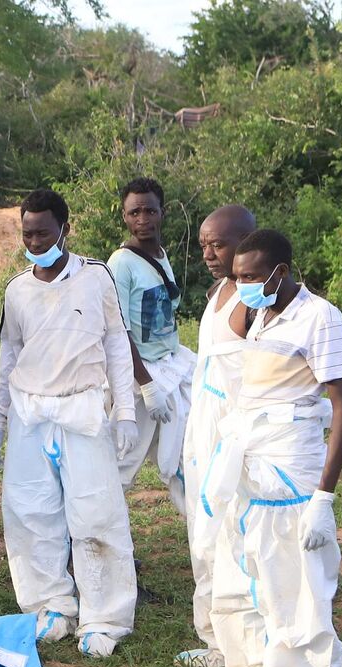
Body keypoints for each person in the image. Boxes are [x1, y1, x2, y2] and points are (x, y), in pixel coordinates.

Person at [200, 229, 342, 667]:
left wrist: (323, 499)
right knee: (240, 575)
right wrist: (250, 298)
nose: (239, 285)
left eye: (249, 277)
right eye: (237, 275)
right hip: (248, 461)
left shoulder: (320, 318)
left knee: (294, 589)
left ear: (281, 273)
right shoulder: (259, 313)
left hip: (291, 469)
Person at [0, 189, 139, 658]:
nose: (35, 242)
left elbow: (116, 342)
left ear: (65, 230)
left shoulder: (96, 278)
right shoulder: (17, 289)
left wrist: (126, 411)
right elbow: (9, 355)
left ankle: (104, 617)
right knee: (30, 514)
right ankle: (50, 605)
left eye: (44, 233)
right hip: (31, 413)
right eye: (28, 233)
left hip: (84, 410)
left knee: (95, 513)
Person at [174, 204, 256, 667]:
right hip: (202, 430)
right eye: (203, 244)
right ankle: (214, 639)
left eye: (218, 244)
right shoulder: (219, 290)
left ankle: (238, 644)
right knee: (202, 535)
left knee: (232, 538)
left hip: (233, 436)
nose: (208, 252)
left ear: (246, 241)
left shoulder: (255, 302)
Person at [109, 178, 196, 520]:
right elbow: (118, 331)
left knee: (184, 455)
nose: (142, 218)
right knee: (121, 465)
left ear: (163, 212)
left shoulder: (159, 254)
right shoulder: (121, 263)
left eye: (149, 210)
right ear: (125, 216)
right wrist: (146, 387)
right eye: (135, 212)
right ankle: (95, 548)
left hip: (170, 367)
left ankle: (205, 538)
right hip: (139, 375)